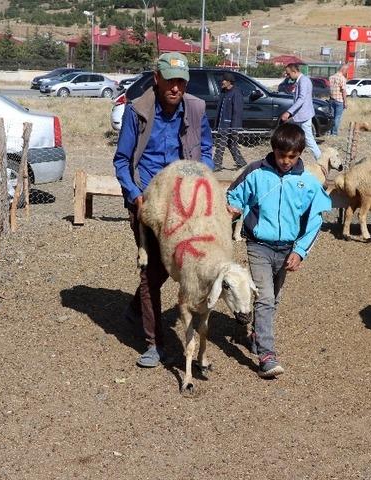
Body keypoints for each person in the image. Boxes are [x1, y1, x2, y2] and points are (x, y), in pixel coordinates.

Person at [113, 52, 214, 368]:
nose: (176, 87)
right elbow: (121, 160)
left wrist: (200, 179)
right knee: (151, 270)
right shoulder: (137, 112)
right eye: (170, 79)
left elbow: (207, 151)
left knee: (172, 268)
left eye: (181, 81)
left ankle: (135, 309)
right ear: (156, 78)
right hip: (150, 203)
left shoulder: (196, 110)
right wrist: (133, 194)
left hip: (184, 203)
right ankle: (154, 343)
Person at [225, 123, 332, 378]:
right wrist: (234, 207)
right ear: (273, 149)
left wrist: (301, 250)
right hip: (258, 245)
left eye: (292, 156)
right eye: (282, 155)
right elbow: (234, 195)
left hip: (287, 250)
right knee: (264, 297)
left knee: (273, 300)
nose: (285, 161)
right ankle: (266, 355)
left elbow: (315, 219)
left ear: (300, 154)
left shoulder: (307, 182)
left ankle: (255, 335)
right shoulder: (255, 172)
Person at [279, 63, 322, 161]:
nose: (287, 76)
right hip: (300, 115)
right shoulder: (301, 81)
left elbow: (301, 99)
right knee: (297, 139)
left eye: (288, 74)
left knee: (309, 140)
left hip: (304, 115)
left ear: (294, 71)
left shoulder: (303, 81)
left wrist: (288, 112)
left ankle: (321, 161)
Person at [213, 72, 246, 171]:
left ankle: (216, 164)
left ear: (229, 82)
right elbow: (220, 110)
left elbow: (237, 111)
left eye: (223, 80)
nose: (221, 82)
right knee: (231, 144)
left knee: (221, 144)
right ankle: (241, 162)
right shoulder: (224, 92)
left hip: (230, 125)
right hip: (222, 124)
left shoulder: (236, 93)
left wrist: (234, 128)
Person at [326, 63, 350, 136]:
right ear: (343, 69)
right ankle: (334, 133)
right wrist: (345, 102)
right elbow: (343, 91)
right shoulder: (342, 78)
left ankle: (329, 131)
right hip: (339, 100)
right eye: (346, 70)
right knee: (337, 117)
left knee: (332, 117)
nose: (347, 72)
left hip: (331, 100)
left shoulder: (331, 77)